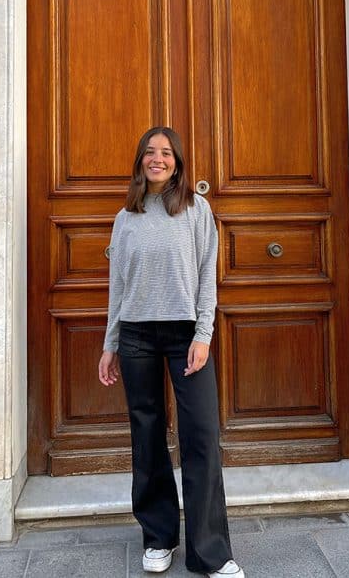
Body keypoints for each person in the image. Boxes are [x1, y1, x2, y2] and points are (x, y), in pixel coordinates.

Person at [98, 127, 244, 577]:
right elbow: (118, 286)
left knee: (200, 437)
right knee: (147, 436)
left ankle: (211, 552)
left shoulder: (197, 210)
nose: (157, 159)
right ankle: (158, 537)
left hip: (186, 336)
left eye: (166, 153)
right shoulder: (127, 216)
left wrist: (204, 335)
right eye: (150, 152)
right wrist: (111, 343)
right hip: (137, 334)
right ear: (140, 160)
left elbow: (206, 277)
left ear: (178, 162)